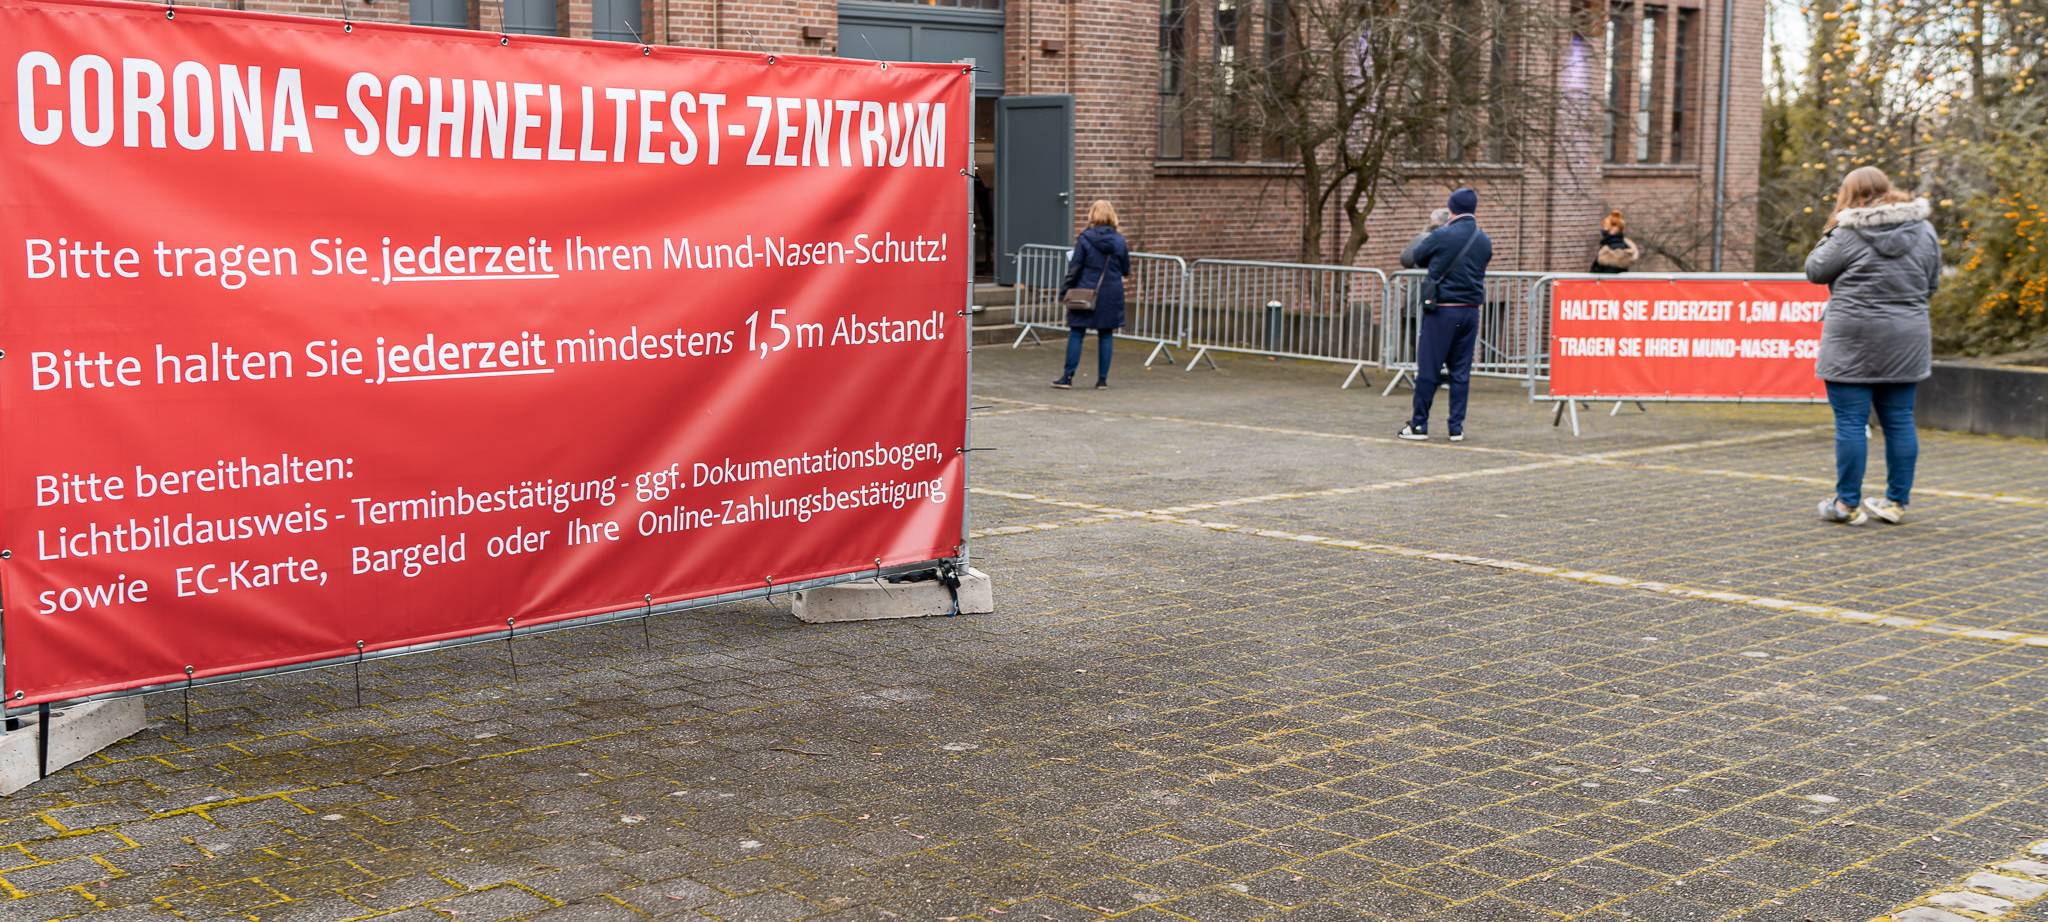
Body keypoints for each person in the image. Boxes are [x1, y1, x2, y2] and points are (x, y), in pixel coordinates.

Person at [1805, 166, 1939, 526]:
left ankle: (1847, 505)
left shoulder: (1848, 232)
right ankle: (1896, 503)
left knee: (1850, 422)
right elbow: (1932, 282)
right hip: (1907, 337)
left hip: (1852, 338)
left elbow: (1815, 271)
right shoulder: (1923, 229)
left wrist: (1832, 228)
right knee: (1899, 420)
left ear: (1849, 194)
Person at [1398, 188, 1493, 442]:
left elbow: (1414, 257)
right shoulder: (1483, 239)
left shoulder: (1443, 234)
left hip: (1443, 310)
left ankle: (1419, 425)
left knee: (1429, 368)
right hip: (1471, 311)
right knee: (1461, 371)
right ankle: (1456, 427)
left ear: (1452, 208)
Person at [1053, 200, 1131, 390]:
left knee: (1077, 332)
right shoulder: (1120, 241)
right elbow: (1125, 269)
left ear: (1092, 215)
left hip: (1085, 291)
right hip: (1111, 293)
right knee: (1106, 334)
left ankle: (1068, 377)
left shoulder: (1085, 238)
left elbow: (1075, 267)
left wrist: (1065, 291)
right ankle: (1102, 380)